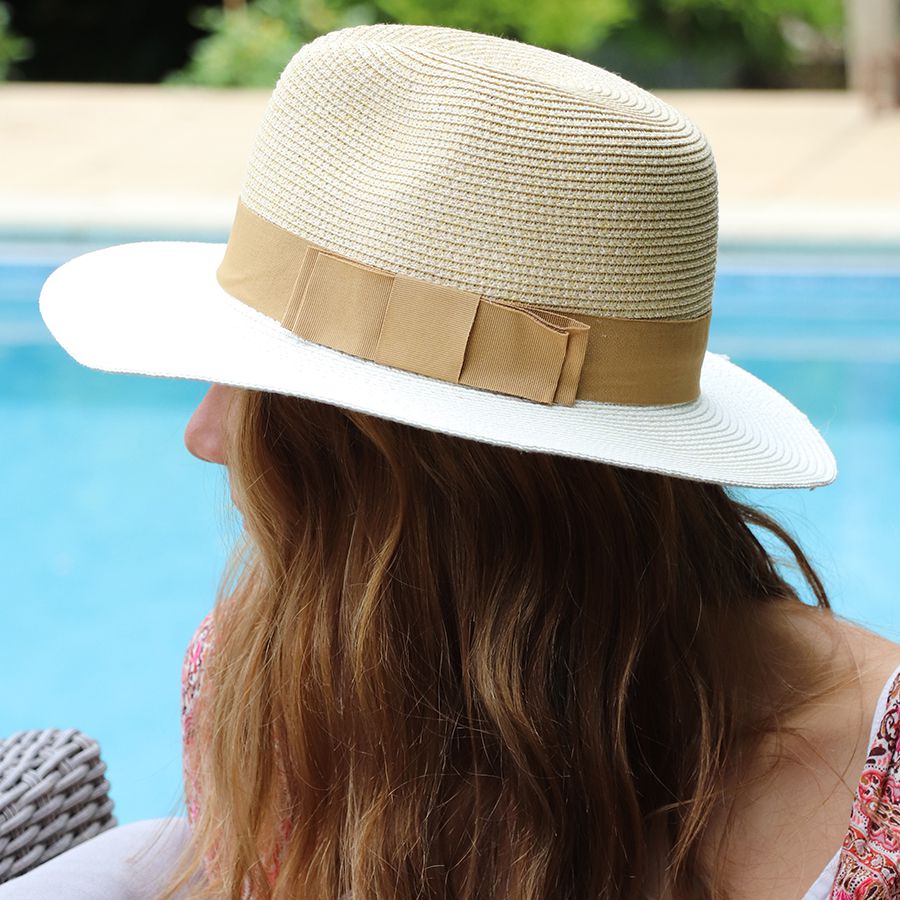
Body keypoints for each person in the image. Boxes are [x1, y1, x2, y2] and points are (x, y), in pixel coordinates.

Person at [34, 22, 900, 900]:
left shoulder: (883, 774)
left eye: (258, 388)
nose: (205, 434)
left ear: (424, 475)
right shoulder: (258, 679)